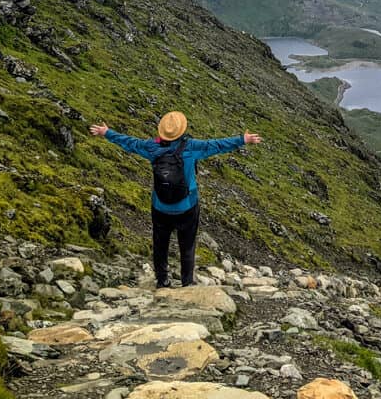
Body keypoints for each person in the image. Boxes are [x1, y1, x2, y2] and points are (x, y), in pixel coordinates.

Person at [89, 111, 262, 288]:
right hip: (187, 206)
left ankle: (162, 281)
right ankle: (187, 282)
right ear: (181, 130)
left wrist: (107, 132)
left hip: (160, 206)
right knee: (187, 246)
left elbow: (130, 143)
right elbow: (217, 145)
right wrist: (243, 139)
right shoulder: (191, 147)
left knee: (160, 245)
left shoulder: (151, 148)